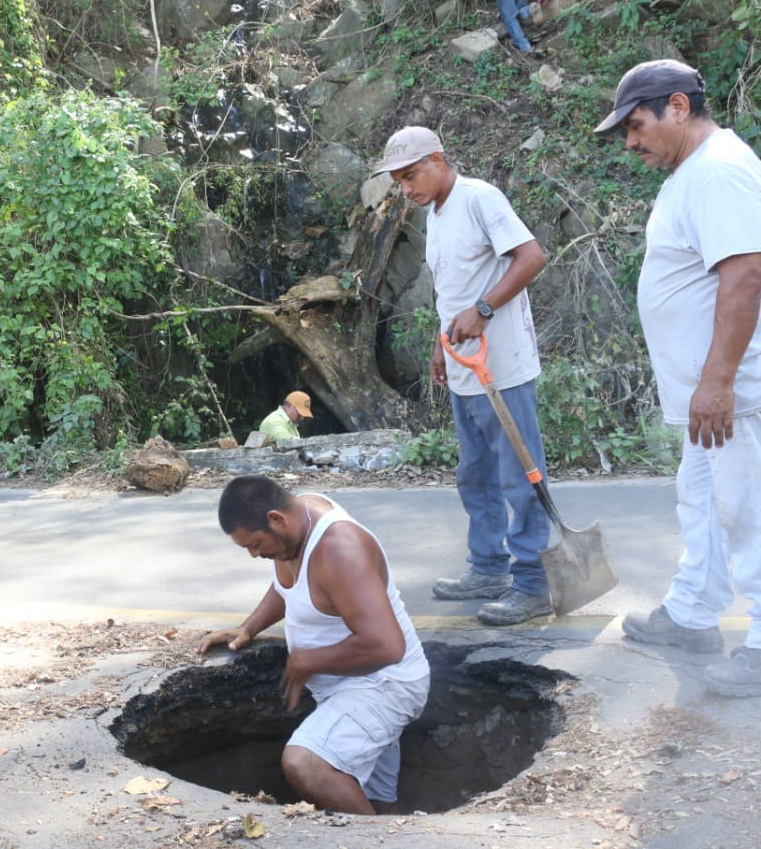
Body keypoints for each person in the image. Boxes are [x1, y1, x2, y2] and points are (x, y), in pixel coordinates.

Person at [594, 59, 761, 698]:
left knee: (747, 509)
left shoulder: (718, 171)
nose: (630, 142)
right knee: (703, 502)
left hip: (731, 391)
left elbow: (745, 275)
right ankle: (693, 614)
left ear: (679, 108)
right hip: (706, 395)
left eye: (636, 126)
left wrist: (719, 381)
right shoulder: (694, 170)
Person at [375, 126, 552, 626]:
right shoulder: (436, 214)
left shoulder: (478, 198)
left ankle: (534, 583)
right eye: (398, 180)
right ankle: (489, 568)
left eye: (410, 175)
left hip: (504, 367)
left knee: (519, 475)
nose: (405, 188)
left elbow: (531, 256)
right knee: (475, 474)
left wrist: (484, 309)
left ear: (438, 159)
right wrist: (440, 344)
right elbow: (452, 290)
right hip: (465, 365)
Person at [198, 476, 430, 813]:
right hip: (350, 687)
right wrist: (248, 627)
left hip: (383, 684)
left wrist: (310, 660)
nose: (253, 555)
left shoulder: (339, 549)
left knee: (306, 762)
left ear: (276, 519)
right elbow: (290, 584)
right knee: (371, 803)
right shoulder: (294, 523)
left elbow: (387, 646)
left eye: (255, 544)